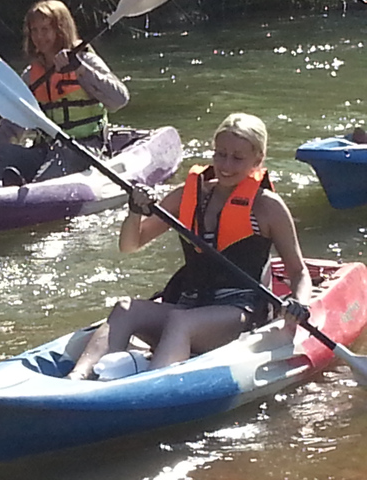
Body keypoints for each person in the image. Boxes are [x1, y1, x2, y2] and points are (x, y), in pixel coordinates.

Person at [66, 113, 312, 380]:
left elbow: (298, 271)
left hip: (238, 313)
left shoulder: (268, 206)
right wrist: (135, 211)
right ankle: (76, 380)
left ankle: (149, 389)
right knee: (127, 308)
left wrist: (299, 302)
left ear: (257, 160)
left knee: (180, 322)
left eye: (237, 158)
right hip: (190, 304)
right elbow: (130, 245)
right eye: (220, 154)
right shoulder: (189, 195)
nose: (226, 164)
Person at [0, 0, 129, 190]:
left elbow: (119, 99)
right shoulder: (31, 75)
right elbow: (11, 125)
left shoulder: (84, 60)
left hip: (84, 149)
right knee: (2, 153)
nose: (39, 36)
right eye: (34, 30)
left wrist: (81, 69)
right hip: (45, 150)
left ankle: (22, 191)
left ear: (61, 30)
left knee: (62, 158)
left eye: (45, 29)